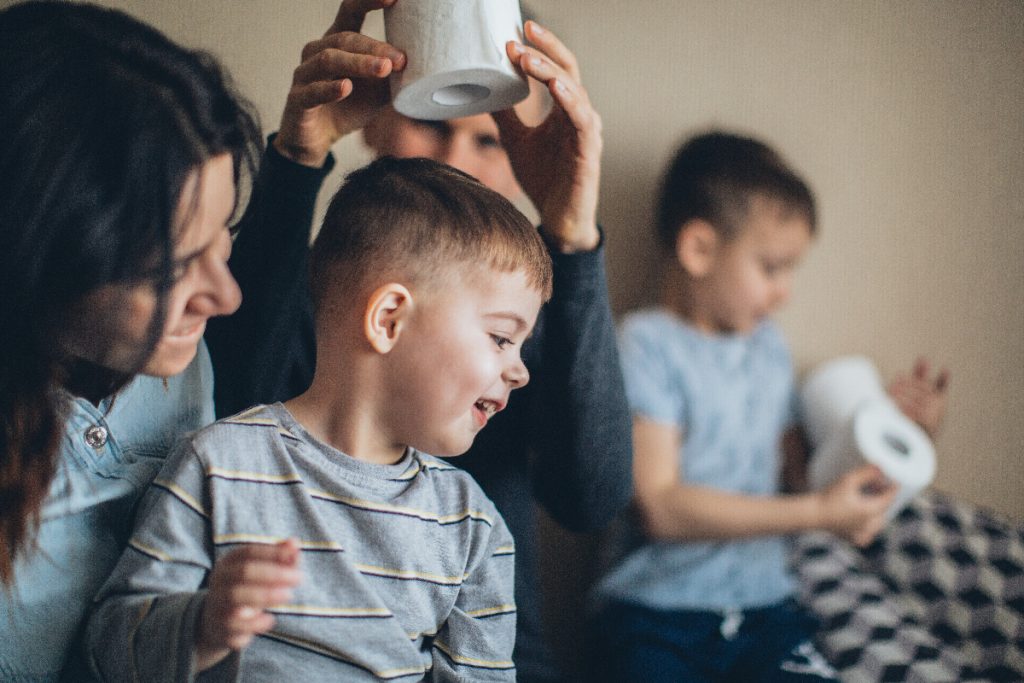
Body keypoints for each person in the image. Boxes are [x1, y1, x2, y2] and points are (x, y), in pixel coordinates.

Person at [202, 2, 633, 679]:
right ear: (377, 119)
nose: (459, 157)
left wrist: (571, 234)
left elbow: (590, 497)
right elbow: (229, 411)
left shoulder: (516, 330)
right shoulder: (312, 290)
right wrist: (297, 154)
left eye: (489, 138)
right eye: (432, 123)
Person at [85, 157, 553, 681]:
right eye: (501, 338)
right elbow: (109, 646)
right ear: (388, 319)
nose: (518, 371)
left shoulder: (473, 526)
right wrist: (201, 624)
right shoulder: (218, 465)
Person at [586, 130, 942, 682]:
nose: (785, 292)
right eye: (772, 268)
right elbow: (659, 507)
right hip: (656, 610)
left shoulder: (768, 346)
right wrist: (817, 515)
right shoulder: (646, 344)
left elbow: (796, 477)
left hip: (762, 607)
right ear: (699, 248)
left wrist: (896, 436)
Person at [0, 2, 260, 679]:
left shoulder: (179, 356)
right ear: (37, 262)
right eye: (174, 266)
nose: (226, 296)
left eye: (223, 230)